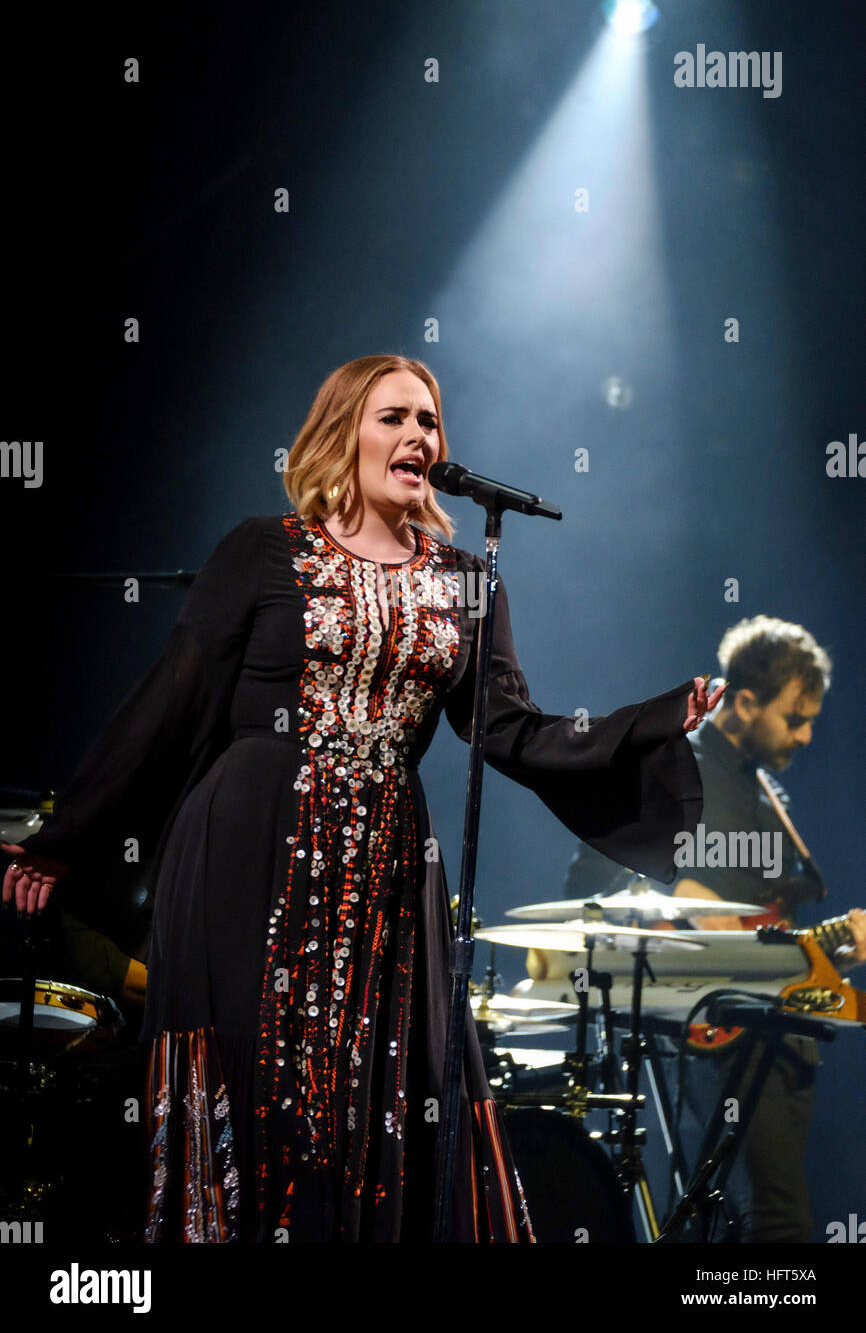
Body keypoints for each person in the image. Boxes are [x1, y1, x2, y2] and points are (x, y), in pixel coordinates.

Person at [2, 353, 719, 1243]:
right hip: (247, 854)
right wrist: (69, 833)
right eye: (395, 417)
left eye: (429, 421)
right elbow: (171, 700)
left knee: (376, 1099)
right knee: (259, 1092)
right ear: (343, 433)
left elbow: (510, 729)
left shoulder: (467, 579)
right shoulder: (263, 549)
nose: (419, 436)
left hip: (386, 868)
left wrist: (651, 722)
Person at [563, 614, 866, 1242]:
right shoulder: (677, 769)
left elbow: (769, 930)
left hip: (781, 1026)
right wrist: (678, 898)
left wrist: (835, 949)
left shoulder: (765, 792)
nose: (807, 735)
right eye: (795, 718)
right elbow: (589, 885)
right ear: (746, 702)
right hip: (717, 1031)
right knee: (776, 1219)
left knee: (740, 1223)